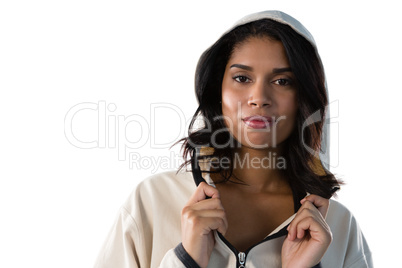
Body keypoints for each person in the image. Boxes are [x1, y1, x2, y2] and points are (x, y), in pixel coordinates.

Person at [94, 10, 372, 268]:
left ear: (306, 98)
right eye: (242, 78)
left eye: (283, 81)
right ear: (218, 90)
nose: (259, 98)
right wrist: (186, 260)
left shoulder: (338, 227)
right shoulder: (152, 201)